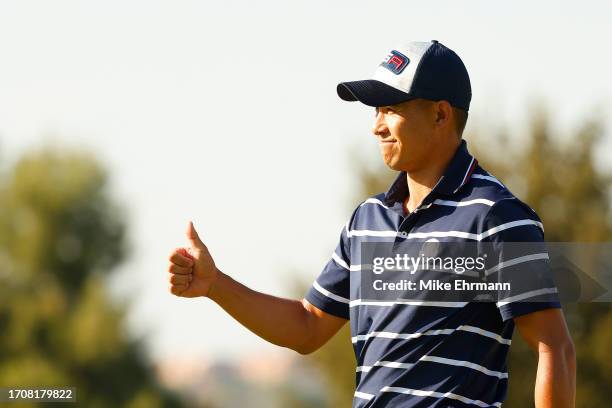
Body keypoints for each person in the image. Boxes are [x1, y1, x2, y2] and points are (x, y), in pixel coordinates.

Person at [167, 40, 576, 407]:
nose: (376, 125)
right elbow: (307, 327)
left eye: (391, 109)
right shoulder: (367, 220)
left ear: (440, 114)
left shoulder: (497, 216)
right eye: (377, 110)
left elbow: (552, 346)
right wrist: (215, 285)